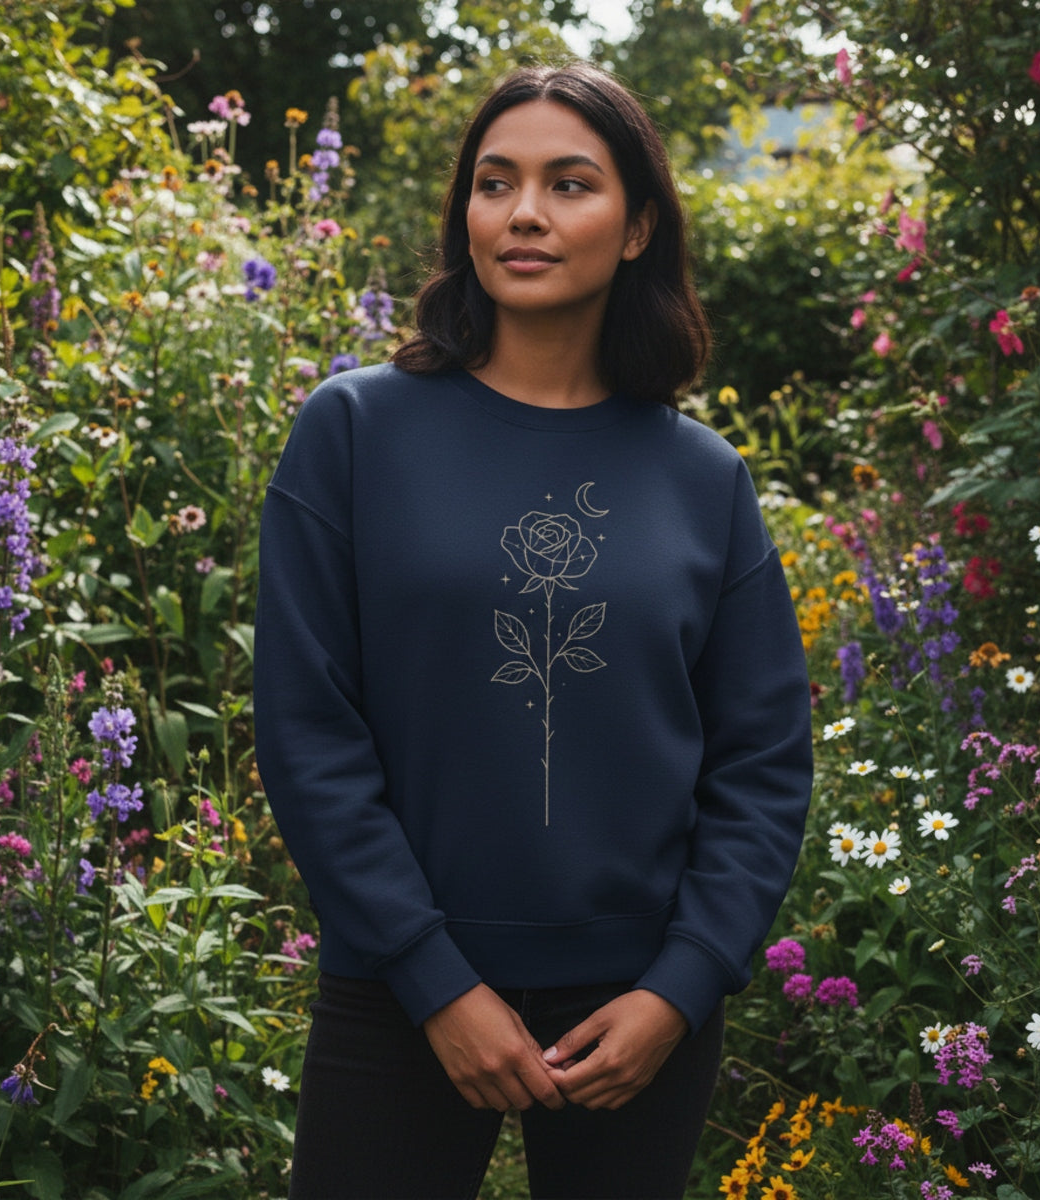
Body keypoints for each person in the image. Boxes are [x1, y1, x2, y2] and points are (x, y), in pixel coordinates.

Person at [253, 60, 812, 1200]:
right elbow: (308, 724)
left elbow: (763, 759)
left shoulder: (705, 479)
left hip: (640, 1009)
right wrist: (432, 976)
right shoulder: (353, 432)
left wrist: (683, 985)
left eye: (569, 184)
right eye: (495, 182)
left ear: (640, 223)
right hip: (398, 990)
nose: (523, 214)